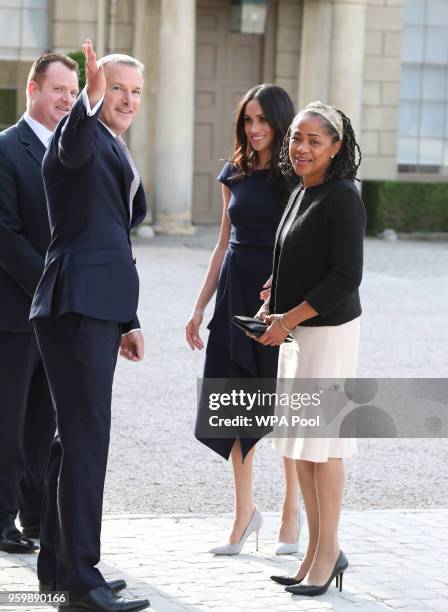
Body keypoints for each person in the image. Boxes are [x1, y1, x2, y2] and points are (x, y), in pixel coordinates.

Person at [30, 40, 149, 612]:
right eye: (116, 88)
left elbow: (113, 237)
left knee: (69, 442)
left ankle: (58, 566)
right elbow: (70, 144)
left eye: (134, 92)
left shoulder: (112, 146)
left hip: (98, 309)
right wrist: (88, 98)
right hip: (75, 306)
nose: (126, 99)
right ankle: (82, 580)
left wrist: (129, 318)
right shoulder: (76, 139)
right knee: (85, 444)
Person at [252, 101, 365, 596]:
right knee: (299, 448)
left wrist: (289, 317)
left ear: (336, 148)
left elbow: (346, 275)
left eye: (314, 140)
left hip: (326, 335)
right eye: (297, 138)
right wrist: (271, 298)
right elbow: (297, 256)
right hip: (295, 331)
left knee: (323, 448)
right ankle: (320, 552)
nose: (300, 147)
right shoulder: (302, 190)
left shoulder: (343, 196)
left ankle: (326, 555)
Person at [186, 84, 303, 556]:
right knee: (237, 405)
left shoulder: (298, 173)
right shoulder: (233, 172)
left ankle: (292, 512)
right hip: (234, 292)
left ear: (280, 122)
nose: (254, 129)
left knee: (285, 407)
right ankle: (244, 513)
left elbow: (305, 242)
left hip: (278, 295)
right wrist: (198, 306)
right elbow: (222, 243)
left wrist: (284, 286)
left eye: (263, 121)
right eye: (247, 121)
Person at [0, 53, 79, 553]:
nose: (66, 100)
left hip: (57, 315)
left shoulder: (73, 151)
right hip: (13, 311)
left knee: (44, 424)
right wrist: (50, 284)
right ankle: (1, 518)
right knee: (7, 420)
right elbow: (4, 233)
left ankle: (35, 517)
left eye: (72, 93)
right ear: (33, 89)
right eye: (58, 90)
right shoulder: (7, 148)